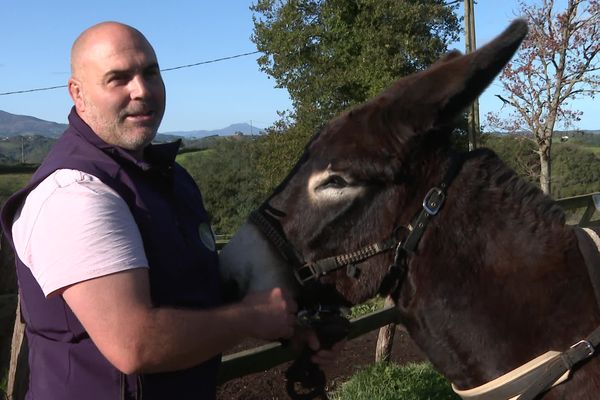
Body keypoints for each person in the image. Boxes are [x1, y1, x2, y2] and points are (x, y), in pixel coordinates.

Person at [0, 21, 340, 400]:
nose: (142, 91)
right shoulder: (75, 196)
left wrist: (285, 326)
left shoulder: (169, 179)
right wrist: (251, 317)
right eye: (118, 79)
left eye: (151, 72)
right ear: (77, 94)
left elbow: (194, 292)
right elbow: (134, 344)